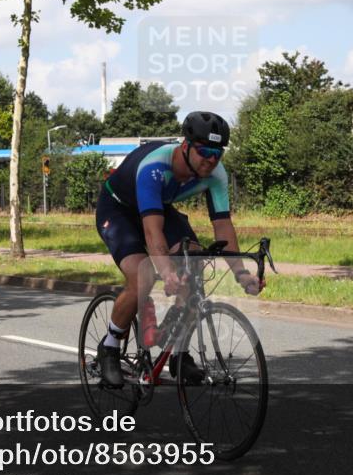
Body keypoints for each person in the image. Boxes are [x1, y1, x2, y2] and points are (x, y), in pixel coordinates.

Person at [94, 111, 265, 388]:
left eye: (217, 153)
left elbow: (222, 225)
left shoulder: (216, 174)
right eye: (204, 151)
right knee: (144, 276)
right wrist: (167, 271)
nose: (211, 159)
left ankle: (179, 353)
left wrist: (242, 274)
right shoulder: (155, 168)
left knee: (195, 263)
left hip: (158, 207)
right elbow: (152, 231)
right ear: (185, 146)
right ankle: (110, 346)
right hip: (119, 210)